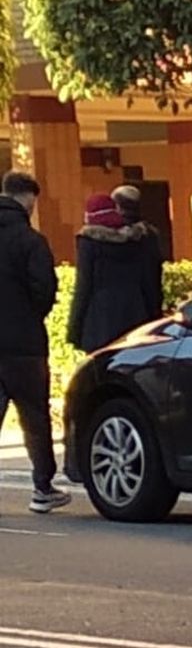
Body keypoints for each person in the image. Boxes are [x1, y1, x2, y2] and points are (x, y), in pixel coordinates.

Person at [0, 172, 69, 513]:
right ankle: (43, 487)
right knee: (34, 417)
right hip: (24, 344)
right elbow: (45, 290)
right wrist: (29, 316)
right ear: (28, 199)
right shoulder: (31, 241)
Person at [67, 194, 162, 354]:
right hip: (135, 313)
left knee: (100, 373)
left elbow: (83, 286)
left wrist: (75, 329)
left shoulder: (89, 242)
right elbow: (149, 282)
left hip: (99, 320)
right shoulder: (137, 239)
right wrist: (154, 316)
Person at [110, 183, 164, 324]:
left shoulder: (111, 236)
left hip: (119, 310)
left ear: (118, 207)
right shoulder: (151, 234)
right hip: (149, 304)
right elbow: (157, 270)